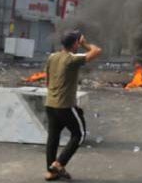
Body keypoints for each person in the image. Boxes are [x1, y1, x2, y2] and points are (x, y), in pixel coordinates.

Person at [44, 31, 102, 181]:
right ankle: (59, 164)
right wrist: (85, 44)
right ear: (75, 44)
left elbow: (47, 80)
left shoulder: (52, 57)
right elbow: (96, 51)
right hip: (65, 105)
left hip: (50, 103)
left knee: (53, 137)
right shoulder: (72, 59)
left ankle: (51, 172)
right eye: (77, 42)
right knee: (79, 134)